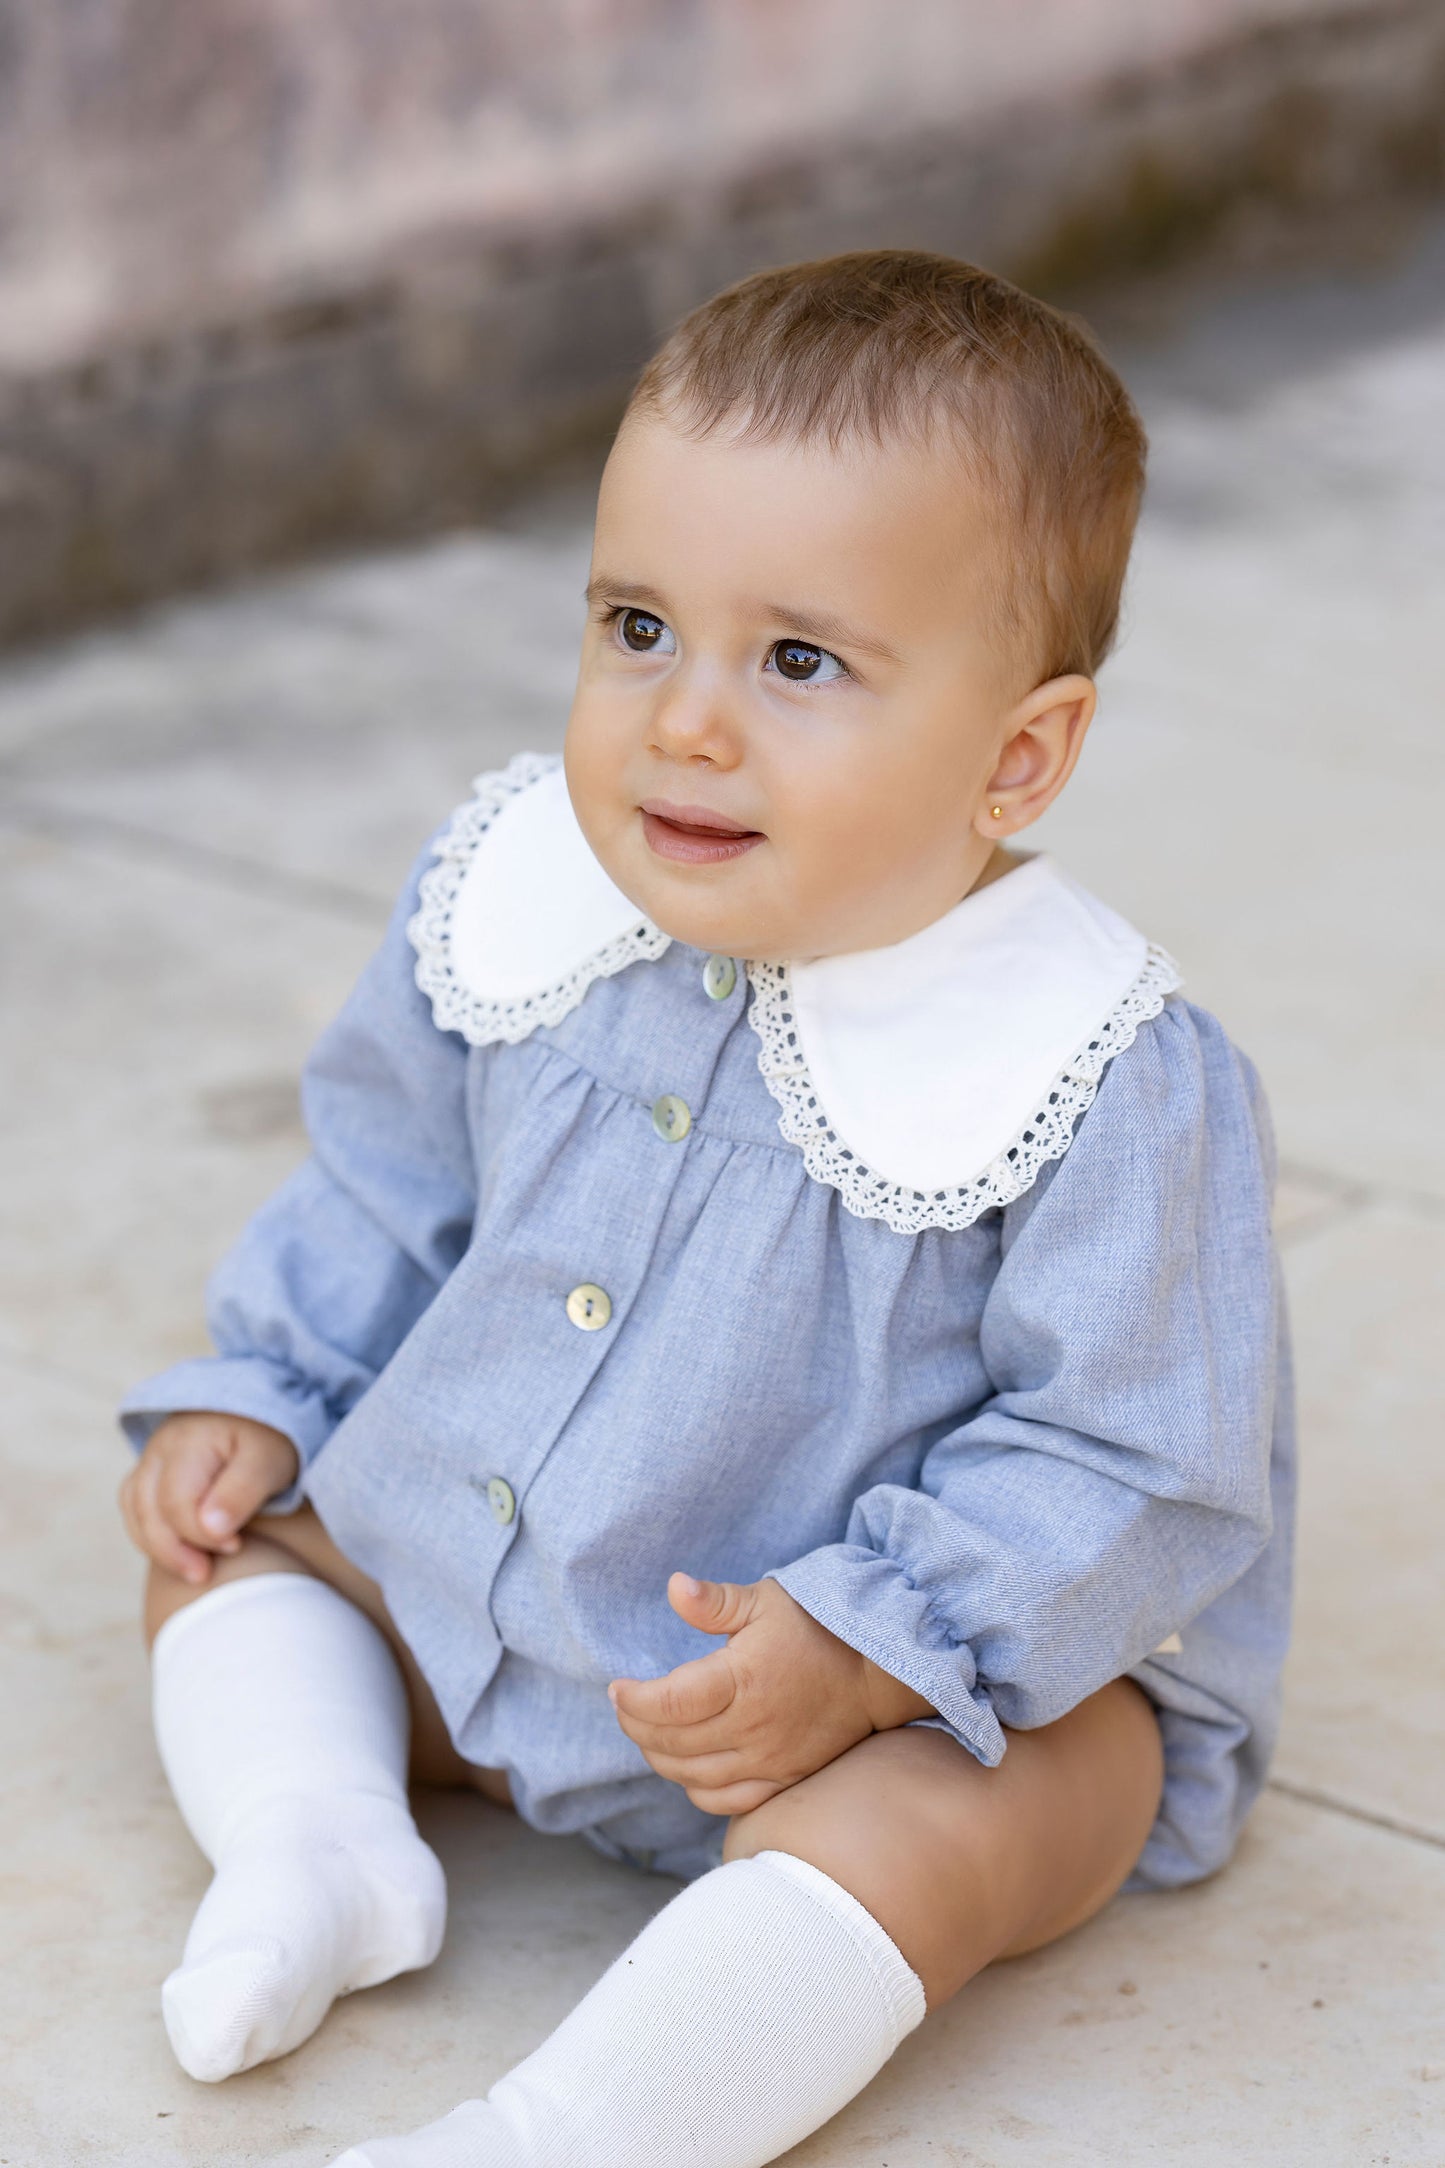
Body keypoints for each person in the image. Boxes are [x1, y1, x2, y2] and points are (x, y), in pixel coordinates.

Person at [118, 250, 1294, 2168]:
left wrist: (872, 1644)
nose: (683, 720)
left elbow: (1141, 1460)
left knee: (1001, 1805)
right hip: (495, 1618)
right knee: (212, 1530)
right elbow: (387, 1178)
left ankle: (589, 2125)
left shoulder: (1098, 1071)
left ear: (1020, 753)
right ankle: (317, 1845)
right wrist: (272, 1377)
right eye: (638, 623)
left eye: (798, 661)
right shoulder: (517, 897)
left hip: (869, 1700)